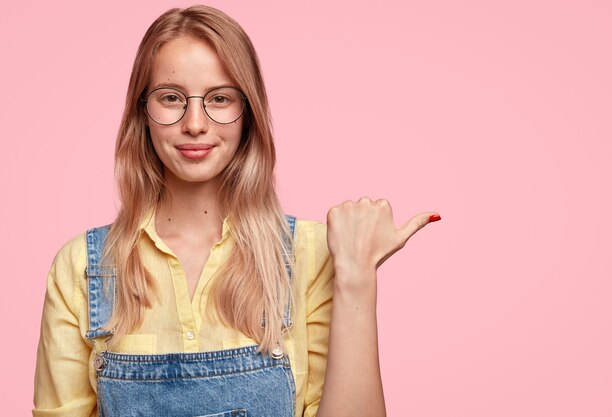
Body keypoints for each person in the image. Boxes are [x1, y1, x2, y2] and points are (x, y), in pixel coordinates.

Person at [33, 5, 441, 417]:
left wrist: (357, 277)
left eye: (220, 98)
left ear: (248, 113)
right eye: (171, 97)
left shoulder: (310, 254)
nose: (195, 123)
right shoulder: (83, 269)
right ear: (143, 111)